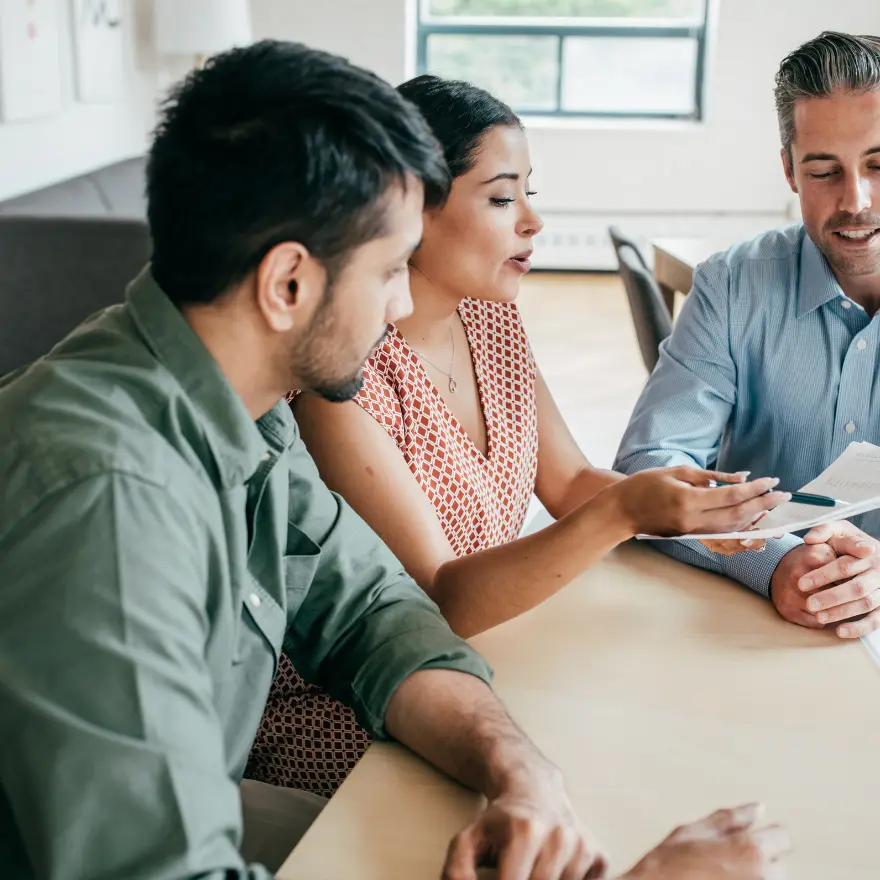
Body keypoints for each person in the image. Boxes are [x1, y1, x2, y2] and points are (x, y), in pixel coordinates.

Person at [0, 41, 790, 880]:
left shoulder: (242, 406)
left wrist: (522, 777)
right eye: (387, 270)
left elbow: (373, 612)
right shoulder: (106, 497)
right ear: (288, 285)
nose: (406, 302)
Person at [247, 74, 789, 799]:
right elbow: (443, 602)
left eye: (530, 191)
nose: (533, 221)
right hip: (355, 698)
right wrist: (626, 511)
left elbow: (566, 483)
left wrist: (698, 502)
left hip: (495, 650)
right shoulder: (340, 377)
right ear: (410, 211)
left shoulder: (491, 319)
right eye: (503, 198)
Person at [615, 30, 880, 639]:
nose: (856, 201)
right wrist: (777, 559)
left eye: (877, 163)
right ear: (789, 170)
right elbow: (648, 468)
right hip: (756, 626)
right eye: (824, 171)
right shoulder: (732, 286)